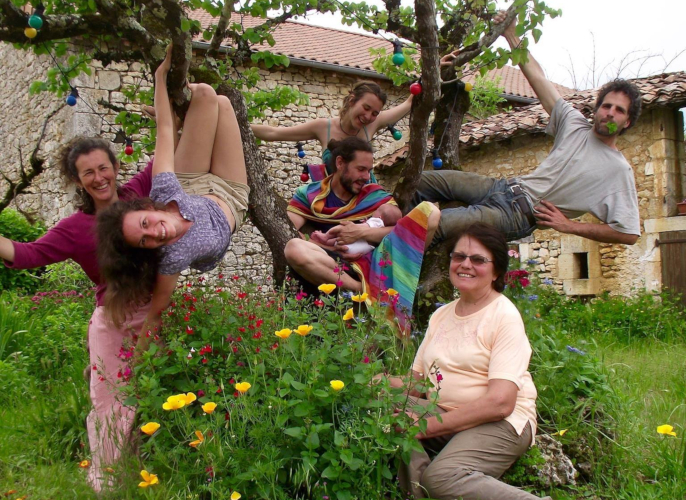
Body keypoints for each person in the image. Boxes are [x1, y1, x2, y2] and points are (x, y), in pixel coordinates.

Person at [0, 136, 153, 492]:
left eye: (103, 168)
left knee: (162, 391)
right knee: (109, 403)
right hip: (113, 320)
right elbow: (26, 254)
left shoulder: (138, 195)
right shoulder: (74, 229)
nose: (99, 178)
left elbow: (168, 149)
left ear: (116, 168)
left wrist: (169, 97)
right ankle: (108, 484)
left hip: (158, 311)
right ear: (77, 180)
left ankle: (162, 470)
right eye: (88, 173)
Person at [412, 11, 642, 246]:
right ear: (598, 108)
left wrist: (569, 226)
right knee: (419, 182)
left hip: (518, 216)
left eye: (620, 110)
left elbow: (629, 233)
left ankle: (380, 255)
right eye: (607, 106)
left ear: (628, 122)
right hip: (503, 187)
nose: (610, 113)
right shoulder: (573, 124)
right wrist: (511, 34)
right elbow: (538, 79)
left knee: (432, 223)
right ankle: (377, 221)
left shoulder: (618, 170)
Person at [379, 223, 547, 500]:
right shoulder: (441, 315)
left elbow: (500, 403)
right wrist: (377, 382)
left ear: (497, 271)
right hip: (447, 411)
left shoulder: (503, 315)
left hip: (500, 423)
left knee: (442, 478)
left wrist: (424, 427)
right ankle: (418, 491)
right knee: (380, 403)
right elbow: (418, 383)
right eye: (459, 257)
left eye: (478, 259)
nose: (465, 264)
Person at [96, 46, 249, 339]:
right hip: (230, 193)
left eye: (145, 223)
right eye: (144, 241)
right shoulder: (172, 256)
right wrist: (136, 377)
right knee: (223, 103)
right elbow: (156, 314)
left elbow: (163, 130)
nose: (155, 233)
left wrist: (161, 77)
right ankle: (190, 122)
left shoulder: (163, 190)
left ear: (147, 208)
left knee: (204, 93)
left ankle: (186, 114)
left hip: (189, 183)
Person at [285, 136, 440, 335]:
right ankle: (362, 291)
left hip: (374, 262)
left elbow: (401, 231)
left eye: (369, 170)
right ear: (340, 163)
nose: (367, 177)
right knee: (294, 248)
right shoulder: (310, 195)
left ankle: (371, 288)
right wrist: (326, 244)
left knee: (431, 213)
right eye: (361, 169)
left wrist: (361, 232)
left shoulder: (374, 195)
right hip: (333, 264)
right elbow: (287, 227)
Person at [251, 81, 413, 177]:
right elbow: (274, 133)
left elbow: (410, 102)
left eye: (375, 113)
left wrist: (436, 68)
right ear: (351, 101)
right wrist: (231, 120)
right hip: (331, 204)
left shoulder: (374, 123)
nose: (368, 116)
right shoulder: (323, 127)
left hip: (365, 201)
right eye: (366, 107)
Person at [310, 203, 401, 256]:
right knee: (339, 240)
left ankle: (325, 237)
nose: (374, 211)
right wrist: (366, 222)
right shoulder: (382, 230)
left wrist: (356, 226)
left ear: (380, 217)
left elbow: (362, 228)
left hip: (350, 244)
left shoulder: (377, 222)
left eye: (377, 209)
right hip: (356, 250)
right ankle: (326, 242)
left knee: (343, 228)